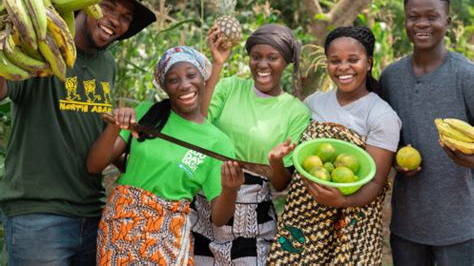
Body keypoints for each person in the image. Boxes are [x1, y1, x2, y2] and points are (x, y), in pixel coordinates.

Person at [0, 0, 156, 265]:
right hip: (38, 212)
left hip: (91, 212)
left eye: (125, 16)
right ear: (84, 3)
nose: (116, 20)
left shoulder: (107, 64)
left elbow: (94, 140)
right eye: (108, 7)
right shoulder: (42, 46)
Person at [87, 46, 244, 265]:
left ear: (203, 78)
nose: (185, 85)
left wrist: (230, 188)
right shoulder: (146, 114)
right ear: (165, 87)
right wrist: (115, 126)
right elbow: (95, 165)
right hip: (121, 226)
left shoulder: (218, 142)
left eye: (191, 75)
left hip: (168, 233)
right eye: (173, 80)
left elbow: (219, 218)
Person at [267, 26, 401, 265]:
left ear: (368, 63)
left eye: (353, 60)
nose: (343, 68)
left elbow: (376, 182)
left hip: (351, 229)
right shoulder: (312, 104)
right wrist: (277, 162)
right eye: (334, 60)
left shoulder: (381, 115)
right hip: (303, 225)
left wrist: (343, 201)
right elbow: (285, 180)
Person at [191, 23, 310, 265]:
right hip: (207, 200)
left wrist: (276, 162)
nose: (262, 65)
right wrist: (217, 63)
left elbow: (281, 182)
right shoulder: (229, 87)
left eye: (272, 58)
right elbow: (199, 123)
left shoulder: (295, 111)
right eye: (256, 57)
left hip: (252, 216)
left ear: (286, 62)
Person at [380, 0, 474, 266]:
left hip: (459, 227)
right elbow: (387, 141)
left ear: (447, 21)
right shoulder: (391, 78)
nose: (422, 23)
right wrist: (396, 161)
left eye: (432, 16)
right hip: (407, 225)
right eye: (413, 16)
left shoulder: (466, 75)